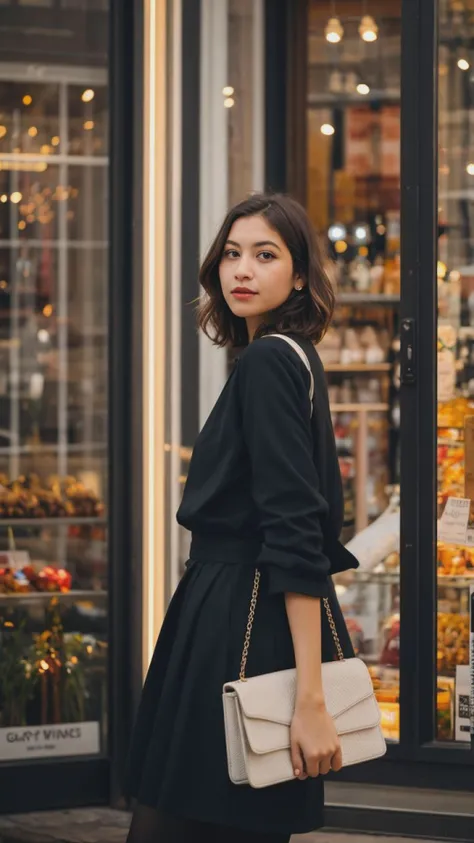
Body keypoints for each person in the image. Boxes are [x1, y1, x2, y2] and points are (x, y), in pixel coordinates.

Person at [124, 193, 359, 843]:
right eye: (231, 254)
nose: (241, 271)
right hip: (240, 619)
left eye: (264, 254)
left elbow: (297, 528)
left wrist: (309, 698)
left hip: (238, 626)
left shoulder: (268, 362)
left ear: (301, 274)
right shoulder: (293, 357)